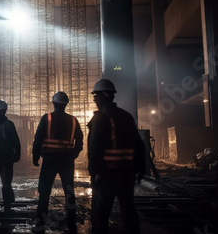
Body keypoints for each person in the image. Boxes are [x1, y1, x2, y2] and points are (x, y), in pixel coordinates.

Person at [87, 79, 146, 234]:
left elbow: (94, 149)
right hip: (127, 173)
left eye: (96, 95)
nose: (94, 99)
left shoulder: (101, 117)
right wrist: (141, 168)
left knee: (100, 214)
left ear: (104, 96)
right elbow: (139, 145)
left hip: (107, 174)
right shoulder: (126, 116)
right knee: (128, 209)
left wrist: (93, 174)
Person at [32, 91, 83, 234]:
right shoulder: (73, 120)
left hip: (49, 161)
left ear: (53, 103)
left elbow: (38, 140)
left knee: (44, 193)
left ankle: (40, 224)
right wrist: (73, 155)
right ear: (66, 104)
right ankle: (71, 225)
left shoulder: (47, 118)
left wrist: (35, 157)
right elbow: (79, 141)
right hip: (66, 161)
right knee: (69, 193)